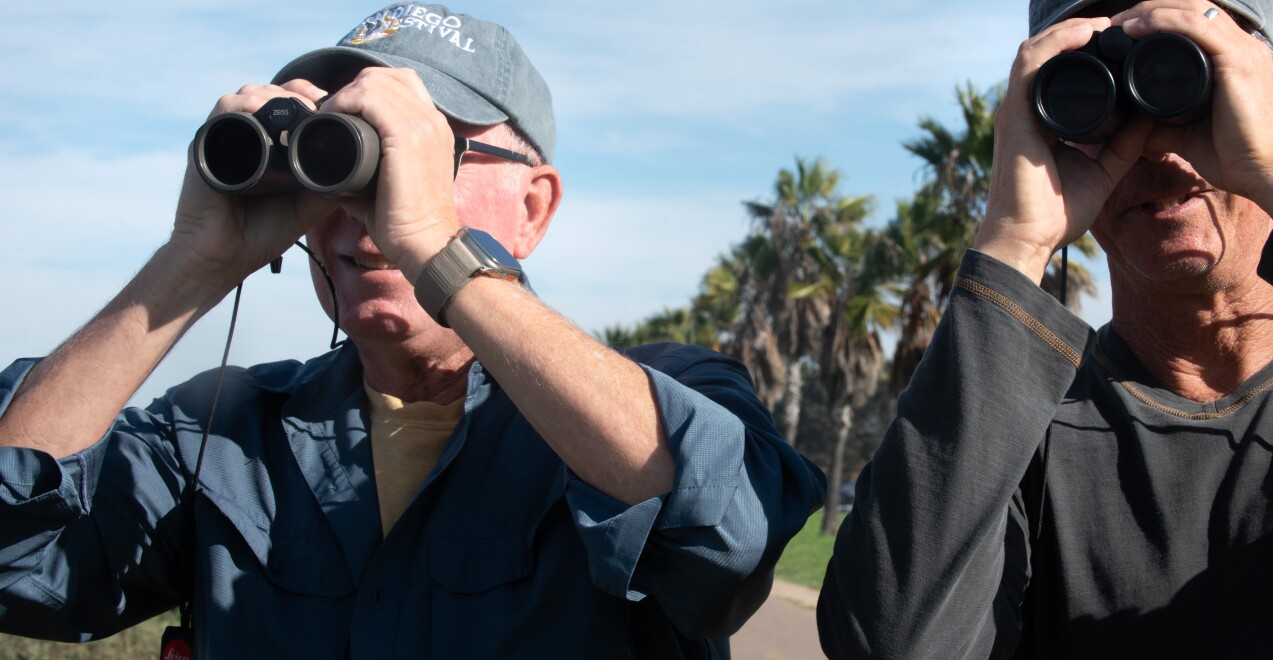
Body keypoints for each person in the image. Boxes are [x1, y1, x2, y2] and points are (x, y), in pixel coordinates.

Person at [0, 3, 824, 657]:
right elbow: (14, 559)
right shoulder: (223, 431)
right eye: (338, 154)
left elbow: (729, 541)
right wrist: (190, 262)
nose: (365, 207)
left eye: (430, 150)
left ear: (534, 206)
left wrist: (435, 243)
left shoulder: (662, 396)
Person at [817, 0, 1273, 657]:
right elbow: (890, 643)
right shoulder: (1018, 433)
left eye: (1189, 74)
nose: (1156, 144)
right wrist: (1014, 244)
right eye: (1097, 90)